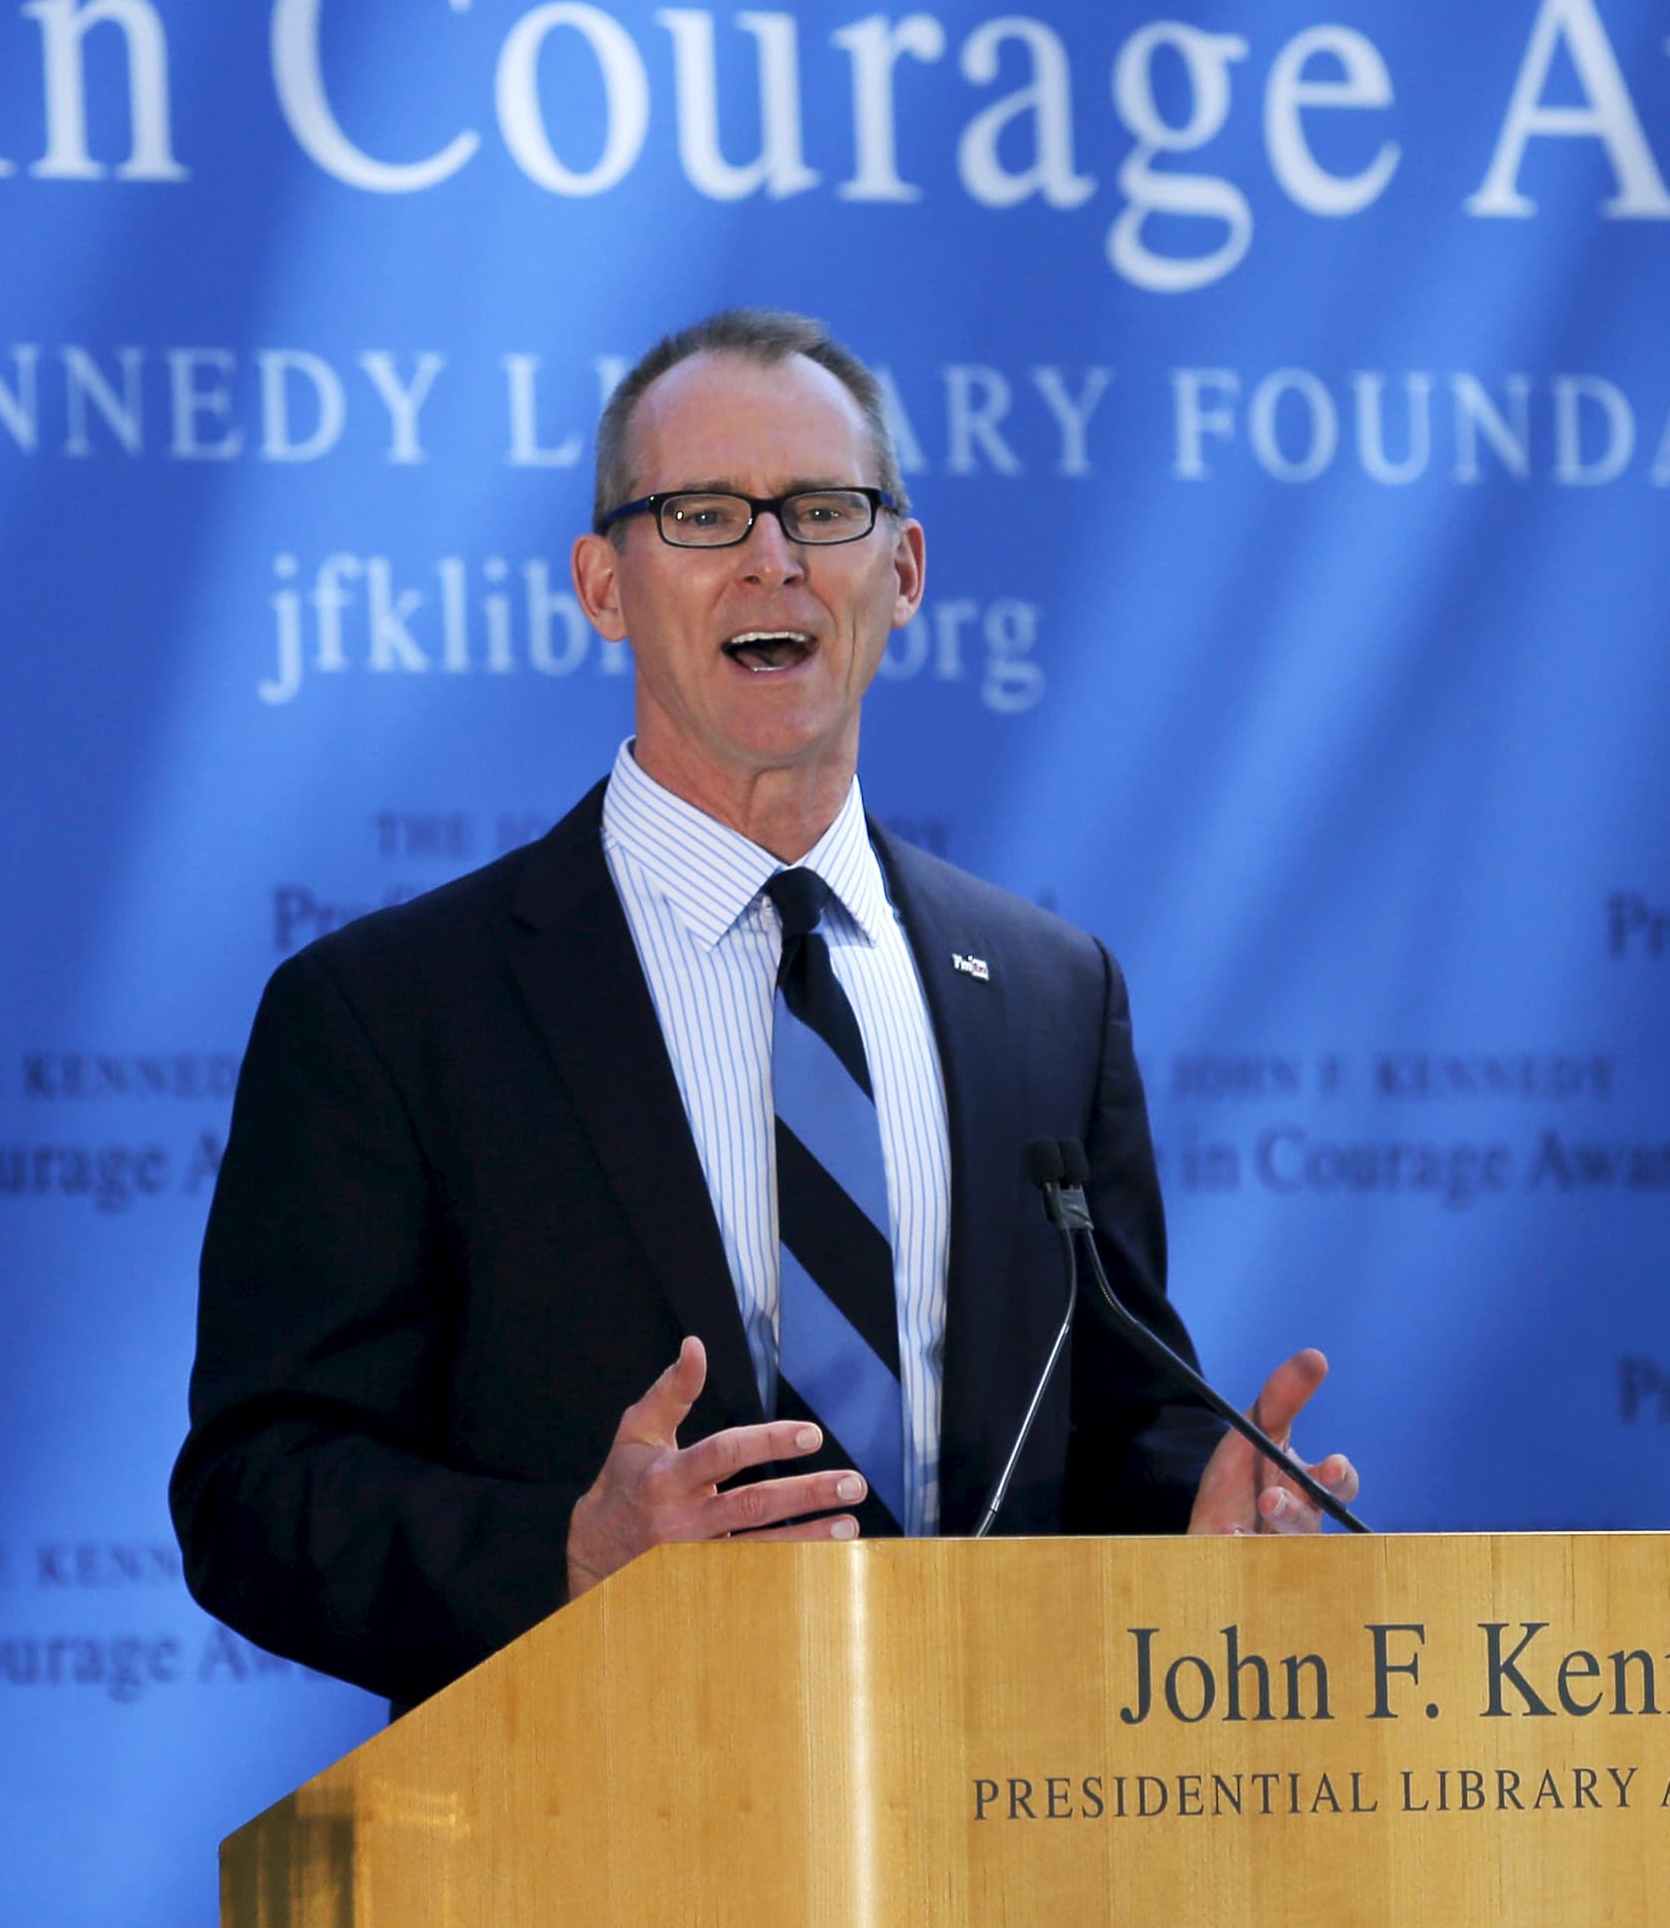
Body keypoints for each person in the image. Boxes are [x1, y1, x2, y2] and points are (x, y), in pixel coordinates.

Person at [170, 307, 1357, 1715]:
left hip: (995, 1851)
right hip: (595, 1866)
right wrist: (573, 1551)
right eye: (704, 513)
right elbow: (260, 1492)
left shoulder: (1049, 994)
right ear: (603, 584)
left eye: (824, 510)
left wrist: (1194, 1524)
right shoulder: (393, 1014)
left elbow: (1110, 1416)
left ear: (902, 571)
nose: (772, 558)